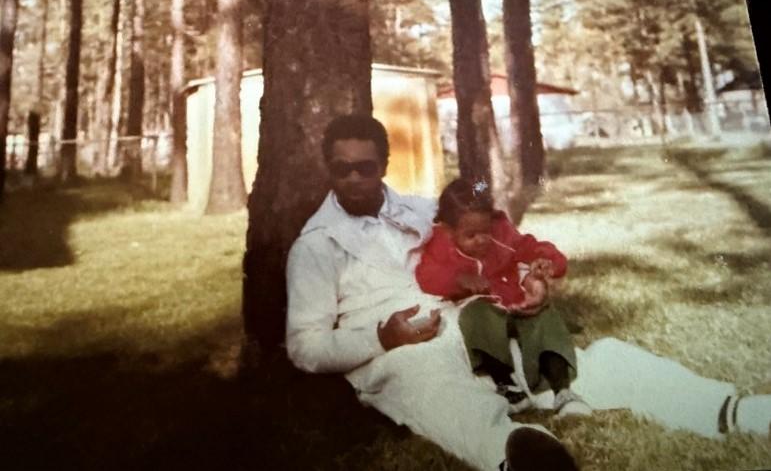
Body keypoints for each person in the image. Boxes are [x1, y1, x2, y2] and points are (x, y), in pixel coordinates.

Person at [285, 114, 771, 471]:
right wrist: (382, 337)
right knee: (439, 392)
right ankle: (518, 453)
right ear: (328, 168)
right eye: (341, 169)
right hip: (395, 350)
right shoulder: (315, 245)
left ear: (385, 164)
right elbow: (305, 346)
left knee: (577, 361)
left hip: (469, 320)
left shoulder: (425, 210)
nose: (353, 178)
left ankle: (727, 408)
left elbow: (493, 234)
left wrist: (526, 278)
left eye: (365, 167)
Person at [415, 178, 590, 416]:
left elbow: (528, 246)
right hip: (485, 310)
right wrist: (458, 280)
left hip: (516, 304)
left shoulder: (500, 231)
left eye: (486, 231)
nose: (482, 239)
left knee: (545, 315)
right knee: (476, 316)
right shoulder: (440, 243)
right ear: (448, 230)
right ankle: (507, 384)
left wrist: (547, 261)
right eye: (471, 235)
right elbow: (426, 276)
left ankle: (563, 390)